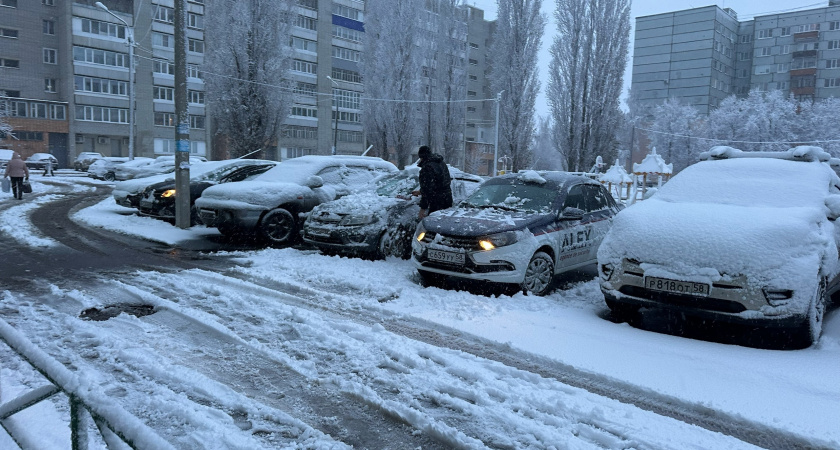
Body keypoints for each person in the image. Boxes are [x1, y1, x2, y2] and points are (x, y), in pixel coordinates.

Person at [414, 145, 452, 219]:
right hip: (447, 199)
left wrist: (422, 209)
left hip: (436, 202)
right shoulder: (441, 163)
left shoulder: (427, 167)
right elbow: (440, 182)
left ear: (421, 157)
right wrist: (420, 192)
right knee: (445, 224)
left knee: (434, 226)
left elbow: (428, 190)